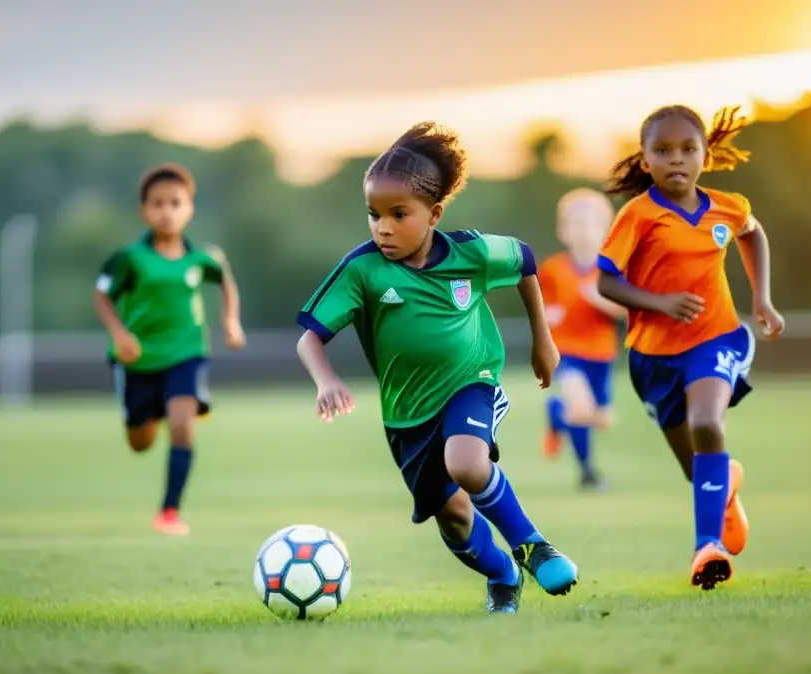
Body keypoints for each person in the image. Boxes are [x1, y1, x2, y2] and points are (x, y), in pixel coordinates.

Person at [295, 122, 578, 614]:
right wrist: (326, 379)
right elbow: (310, 339)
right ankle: (504, 576)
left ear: (434, 214)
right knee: (453, 516)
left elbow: (526, 261)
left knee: (467, 464)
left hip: (472, 382)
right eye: (374, 214)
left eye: (398, 214)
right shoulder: (362, 270)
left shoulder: (471, 253)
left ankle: (532, 546)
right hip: (406, 415)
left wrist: (543, 340)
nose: (382, 227)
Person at [596, 105, 785, 589]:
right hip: (653, 357)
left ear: (705, 154)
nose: (675, 159)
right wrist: (657, 302)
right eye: (662, 150)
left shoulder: (727, 207)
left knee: (707, 422)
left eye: (687, 149)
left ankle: (708, 546)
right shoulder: (637, 215)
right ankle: (725, 490)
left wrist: (761, 297)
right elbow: (606, 283)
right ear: (645, 159)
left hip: (716, 337)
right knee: (695, 466)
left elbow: (753, 232)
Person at [94, 163, 247, 536]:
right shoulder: (129, 259)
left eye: (175, 203)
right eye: (158, 204)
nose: (167, 211)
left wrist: (230, 321)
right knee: (140, 442)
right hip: (140, 359)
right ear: (143, 210)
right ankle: (149, 410)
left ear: (189, 208)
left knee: (182, 424)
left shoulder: (202, 258)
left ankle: (169, 512)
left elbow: (224, 281)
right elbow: (102, 295)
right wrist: (120, 335)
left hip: (187, 352)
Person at [538, 188, 626, 489]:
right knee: (581, 407)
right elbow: (542, 304)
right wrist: (548, 316)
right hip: (566, 352)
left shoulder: (612, 272)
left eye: (590, 224)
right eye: (576, 224)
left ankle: (555, 415)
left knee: (601, 420)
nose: (583, 231)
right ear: (564, 231)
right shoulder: (552, 269)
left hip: (601, 354)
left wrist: (599, 299)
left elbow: (627, 311)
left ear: (605, 230)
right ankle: (588, 473)